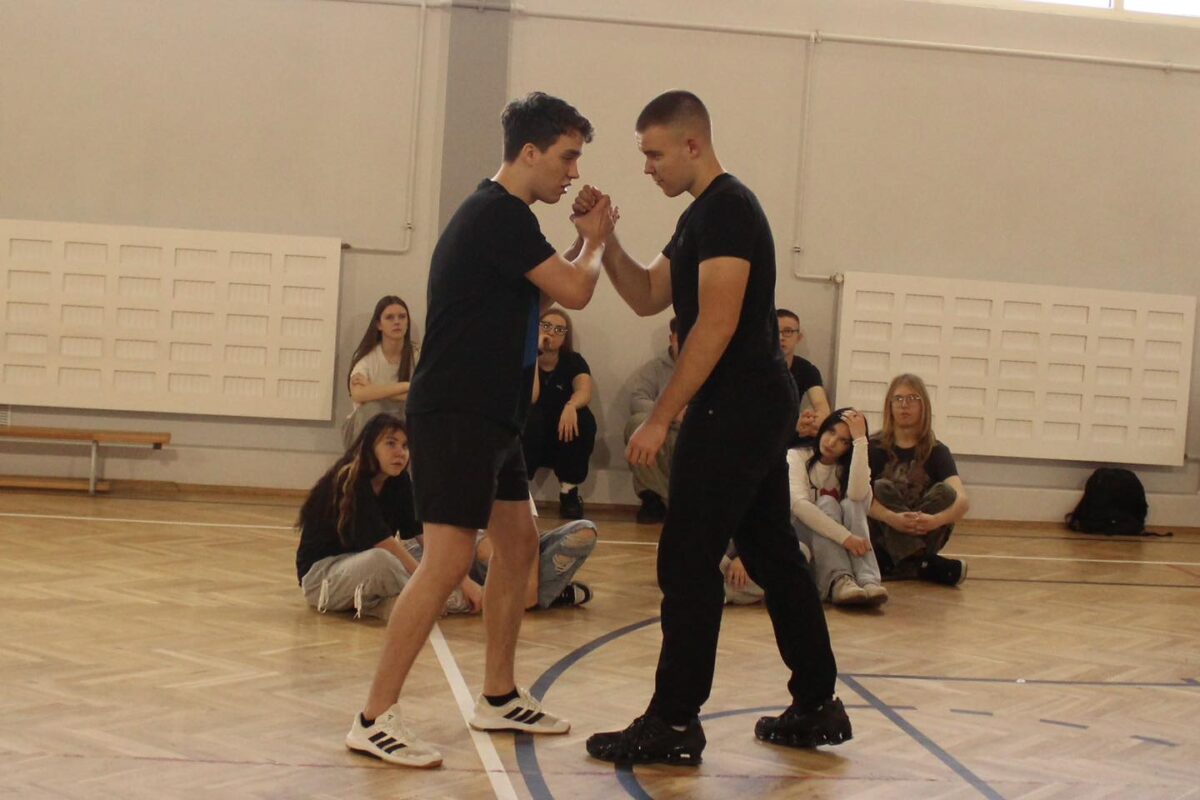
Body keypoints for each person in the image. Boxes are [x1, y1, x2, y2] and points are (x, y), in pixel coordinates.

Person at [345, 91, 614, 769]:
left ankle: (497, 695)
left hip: (494, 419)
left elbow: (545, 289)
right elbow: (577, 290)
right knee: (447, 563)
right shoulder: (499, 213)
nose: (573, 173)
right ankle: (373, 718)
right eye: (567, 158)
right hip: (457, 415)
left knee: (518, 546)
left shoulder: (506, 222)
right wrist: (597, 240)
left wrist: (579, 244)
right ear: (529, 152)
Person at [582, 90, 850, 766]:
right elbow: (647, 294)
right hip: (746, 404)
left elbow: (718, 323)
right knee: (771, 552)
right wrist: (604, 243)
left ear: (692, 144)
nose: (647, 167)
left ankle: (674, 722)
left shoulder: (729, 209)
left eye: (654, 154)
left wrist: (661, 417)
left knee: (686, 558)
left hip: (738, 405)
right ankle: (817, 703)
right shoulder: (702, 215)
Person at [296, 413, 598, 623]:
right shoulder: (348, 481)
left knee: (452, 550)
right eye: (390, 444)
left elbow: (424, 538)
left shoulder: (398, 482)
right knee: (387, 561)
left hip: (375, 565)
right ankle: (505, 598)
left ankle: (400, 604)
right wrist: (450, 583)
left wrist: (456, 576)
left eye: (405, 446)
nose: (400, 452)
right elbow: (388, 546)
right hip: (326, 575)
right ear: (368, 447)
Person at [868, 373, 970, 586]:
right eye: (898, 398)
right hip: (884, 529)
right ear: (889, 406)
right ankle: (922, 563)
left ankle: (901, 563)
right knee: (879, 488)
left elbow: (962, 501)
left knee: (946, 492)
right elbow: (855, 496)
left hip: (925, 529)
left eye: (912, 399)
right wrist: (891, 518)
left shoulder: (937, 450)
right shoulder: (873, 447)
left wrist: (936, 520)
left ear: (923, 406)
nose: (904, 405)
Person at [790, 408, 887, 606]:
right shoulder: (796, 456)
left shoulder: (848, 467)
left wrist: (861, 441)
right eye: (831, 431)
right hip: (801, 538)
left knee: (852, 504)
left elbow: (858, 497)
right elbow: (799, 506)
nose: (832, 442)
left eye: (844, 441)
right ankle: (838, 580)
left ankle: (867, 579)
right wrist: (846, 538)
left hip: (840, 546)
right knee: (826, 502)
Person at [523, 307, 597, 519]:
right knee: (531, 417)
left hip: (562, 434)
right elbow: (532, 397)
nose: (551, 332)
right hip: (530, 434)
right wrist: (534, 352)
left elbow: (584, 390)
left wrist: (571, 405)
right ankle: (520, 491)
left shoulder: (573, 360)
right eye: (546, 326)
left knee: (584, 418)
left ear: (566, 337)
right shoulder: (524, 358)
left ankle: (569, 492)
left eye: (559, 329)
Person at [341, 296, 420, 448]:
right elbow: (358, 394)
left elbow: (425, 395)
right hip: (363, 424)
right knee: (373, 409)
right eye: (390, 317)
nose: (397, 322)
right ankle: (365, 462)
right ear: (378, 324)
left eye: (402, 317)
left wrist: (373, 389)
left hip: (401, 422)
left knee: (416, 413)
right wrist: (406, 386)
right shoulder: (366, 357)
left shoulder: (417, 355)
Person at [624, 317, 680, 524]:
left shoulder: (711, 365)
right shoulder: (655, 368)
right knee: (636, 424)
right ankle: (652, 498)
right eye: (680, 338)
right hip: (664, 429)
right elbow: (637, 400)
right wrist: (669, 414)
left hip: (697, 429)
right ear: (671, 339)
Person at [777, 308, 830, 443]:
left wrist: (814, 421)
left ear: (798, 337)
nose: (780, 337)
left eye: (788, 331)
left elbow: (821, 405)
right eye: (774, 331)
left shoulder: (807, 369)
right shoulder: (755, 369)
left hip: (794, 435)